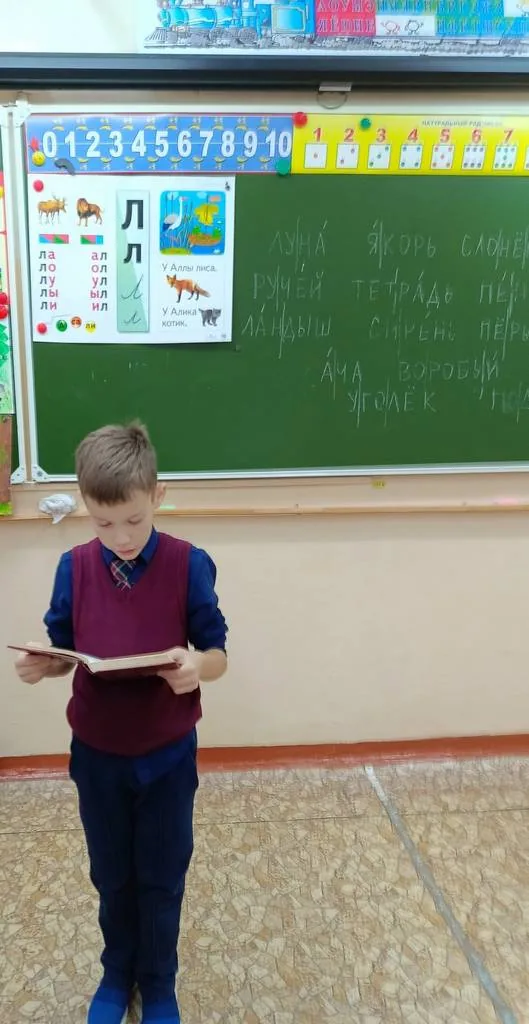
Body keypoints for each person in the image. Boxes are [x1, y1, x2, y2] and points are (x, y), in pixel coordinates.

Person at [14, 422, 228, 1024]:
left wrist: (198, 667)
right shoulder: (74, 567)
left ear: (157, 496)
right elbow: (65, 651)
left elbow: (217, 654)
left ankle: (158, 984)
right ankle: (116, 975)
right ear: (87, 506)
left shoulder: (189, 564)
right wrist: (45, 664)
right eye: (103, 523)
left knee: (161, 876)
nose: (121, 537)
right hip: (98, 754)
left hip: (166, 755)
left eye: (133, 519)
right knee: (111, 874)